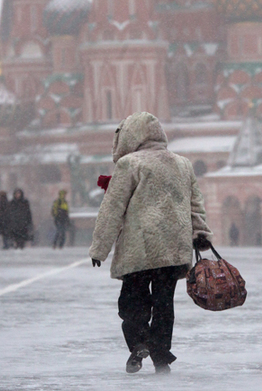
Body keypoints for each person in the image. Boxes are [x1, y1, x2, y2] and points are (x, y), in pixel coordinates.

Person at [89, 112, 212, 374]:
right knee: (164, 303)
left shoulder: (130, 164)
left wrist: (100, 248)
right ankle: (161, 359)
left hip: (140, 247)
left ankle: (139, 343)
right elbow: (195, 204)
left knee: (133, 301)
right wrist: (200, 233)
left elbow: (112, 208)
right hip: (173, 249)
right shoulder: (182, 164)